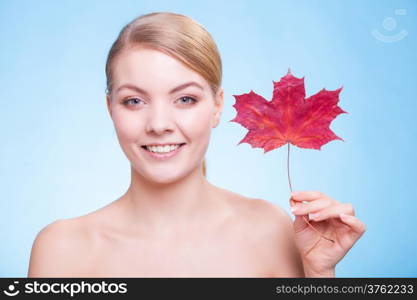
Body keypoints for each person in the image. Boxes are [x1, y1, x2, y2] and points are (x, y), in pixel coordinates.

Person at [27, 12, 366, 278]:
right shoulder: (61, 248)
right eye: (134, 101)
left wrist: (320, 276)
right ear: (110, 108)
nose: (159, 124)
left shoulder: (269, 229)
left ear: (217, 106)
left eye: (185, 99)